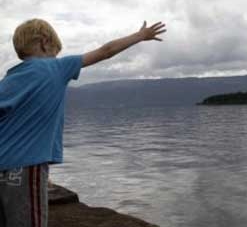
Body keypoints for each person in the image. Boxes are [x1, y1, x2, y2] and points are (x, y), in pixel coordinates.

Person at [0, 18, 166, 227]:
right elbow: (106, 51)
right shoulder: (57, 67)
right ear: (44, 42)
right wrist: (140, 36)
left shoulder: (9, 79)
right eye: (54, 51)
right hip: (25, 167)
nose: (56, 56)